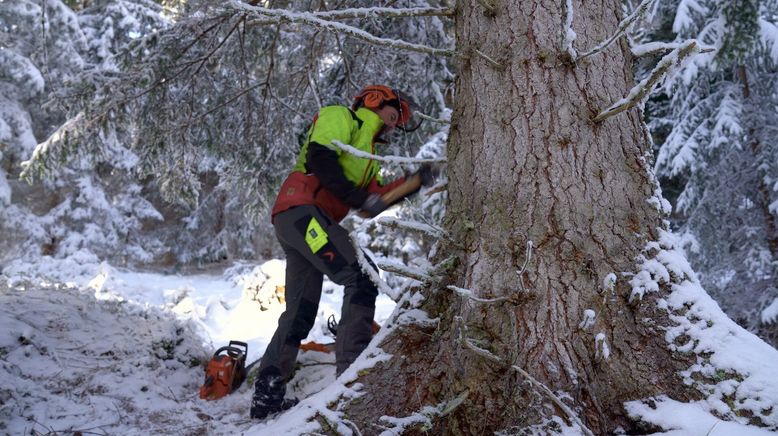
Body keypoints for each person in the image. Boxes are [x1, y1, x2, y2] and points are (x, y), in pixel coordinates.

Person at [250, 85, 432, 419]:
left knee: (301, 311)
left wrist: (414, 183)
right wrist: (360, 197)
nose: (396, 123)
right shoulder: (340, 116)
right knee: (361, 279)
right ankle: (352, 378)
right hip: (303, 212)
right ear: (376, 100)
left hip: (302, 221)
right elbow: (320, 158)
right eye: (395, 114)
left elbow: (370, 204)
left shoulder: (366, 156)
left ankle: (267, 396)